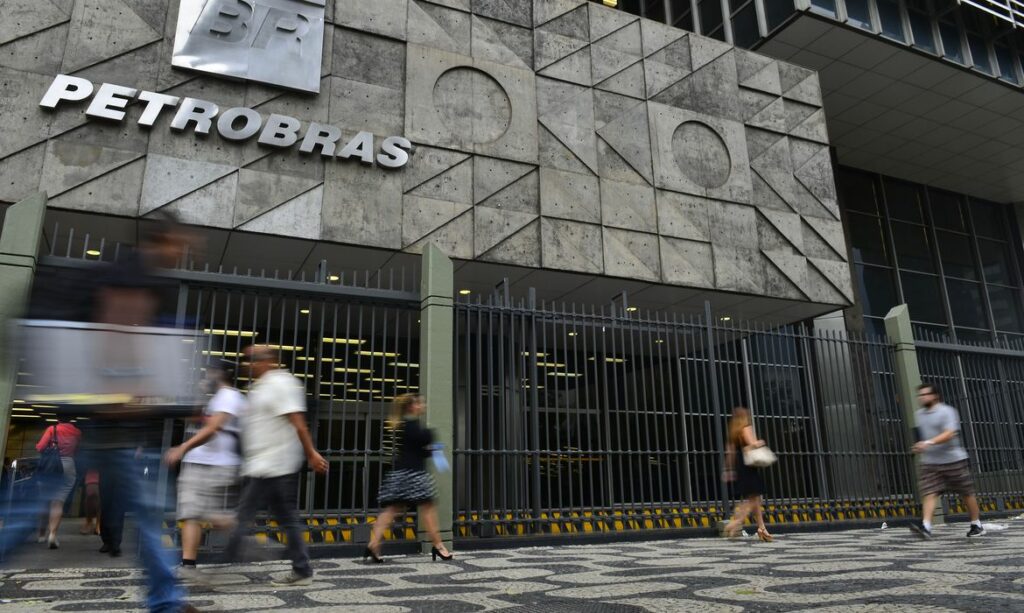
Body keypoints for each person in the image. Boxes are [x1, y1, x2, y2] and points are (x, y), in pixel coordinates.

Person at [222, 345, 327, 586]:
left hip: (276, 465)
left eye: (252, 359)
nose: (248, 364)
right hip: (260, 465)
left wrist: (311, 453)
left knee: (244, 516)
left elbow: (298, 422)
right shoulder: (258, 388)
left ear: (269, 360)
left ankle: (221, 566)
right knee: (286, 519)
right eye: (246, 359)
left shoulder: (282, 383)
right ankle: (301, 569)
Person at [163, 361, 246, 582]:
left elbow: (213, 428)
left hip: (214, 464)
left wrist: (183, 448)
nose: (206, 376)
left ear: (221, 374)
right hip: (203, 462)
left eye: (210, 372)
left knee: (201, 514)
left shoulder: (229, 396)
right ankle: (188, 565)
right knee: (192, 513)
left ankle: (242, 539)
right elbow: (196, 419)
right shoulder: (217, 398)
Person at [365, 394, 453, 563]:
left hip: (400, 473)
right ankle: (439, 546)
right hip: (414, 474)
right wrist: (431, 436)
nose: (423, 406)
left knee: (391, 510)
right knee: (428, 508)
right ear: (412, 407)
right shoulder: (414, 426)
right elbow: (425, 442)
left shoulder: (401, 425)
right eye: (420, 403)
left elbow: (417, 450)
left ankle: (373, 543)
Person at [909, 383, 985, 539]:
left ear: (935, 396)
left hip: (953, 460)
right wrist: (919, 445)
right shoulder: (919, 414)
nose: (922, 398)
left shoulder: (947, 411)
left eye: (925, 394)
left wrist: (928, 442)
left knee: (966, 492)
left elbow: (950, 433)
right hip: (930, 461)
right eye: (920, 395)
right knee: (929, 492)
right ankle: (926, 526)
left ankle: (976, 524)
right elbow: (921, 436)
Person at [722, 407, 773, 542]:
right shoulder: (746, 427)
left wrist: (728, 470)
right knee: (754, 498)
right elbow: (752, 444)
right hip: (749, 466)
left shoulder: (733, 432)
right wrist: (760, 442)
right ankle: (736, 521)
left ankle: (762, 528)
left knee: (754, 498)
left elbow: (730, 453)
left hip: (741, 465)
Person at [34, 417, 81, 549]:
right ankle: (52, 534)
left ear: (58, 418)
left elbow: (40, 447)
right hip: (68, 465)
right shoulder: (77, 432)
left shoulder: (52, 429)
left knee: (45, 500)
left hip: (50, 466)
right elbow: (77, 450)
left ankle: (41, 535)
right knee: (58, 502)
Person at [79, 469, 100, 535]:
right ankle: (89, 521)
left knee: (104, 495)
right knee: (91, 492)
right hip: (92, 468)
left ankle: (99, 523)